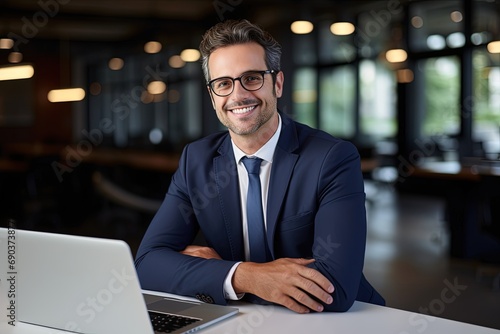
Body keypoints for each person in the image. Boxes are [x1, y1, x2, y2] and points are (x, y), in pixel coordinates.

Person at [135, 19, 385, 314]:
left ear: (277, 83)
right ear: (212, 95)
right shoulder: (196, 160)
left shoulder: (332, 158)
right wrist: (245, 276)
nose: (238, 95)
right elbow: (147, 264)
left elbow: (336, 288)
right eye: (223, 83)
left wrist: (214, 273)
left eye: (252, 78)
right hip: (244, 322)